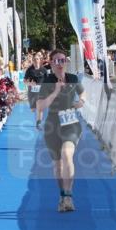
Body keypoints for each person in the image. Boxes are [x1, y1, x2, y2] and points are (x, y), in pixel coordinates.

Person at [36, 50, 86, 213]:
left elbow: (82, 91)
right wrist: (55, 91)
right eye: (56, 61)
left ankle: (68, 196)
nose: (60, 63)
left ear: (66, 62)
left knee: (67, 154)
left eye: (62, 60)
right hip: (52, 124)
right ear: (50, 63)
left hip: (71, 123)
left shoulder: (73, 78)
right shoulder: (47, 81)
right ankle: (62, 194)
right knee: (57, 164)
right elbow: (41, 106)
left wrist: (82, 101)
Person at [24, 51, 47, 129]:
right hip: (32, 92)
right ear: (32, 61)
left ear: (40, 60)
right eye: (34, 59)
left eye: (37, 59)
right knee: (33, 109)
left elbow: (48, 81)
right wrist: (30, 84)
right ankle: (37, 119)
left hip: (41, 92)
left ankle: (38, 123)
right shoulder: (29, 70)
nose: (36, 61)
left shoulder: (44, 70)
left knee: (40, 108)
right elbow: (24, 81)